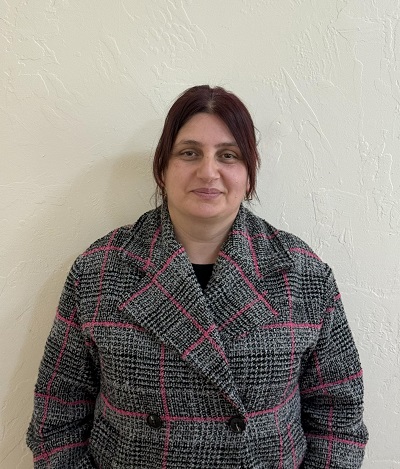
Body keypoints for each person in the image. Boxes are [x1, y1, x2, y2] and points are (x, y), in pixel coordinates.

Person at [27, 85, 368, 468]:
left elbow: (338, 417)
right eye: (189, 153)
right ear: (162, 168)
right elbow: (57, 415)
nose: (208, 171)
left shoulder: (302, 273)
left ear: (249, 175)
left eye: (228, 155)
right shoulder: (100, 269)